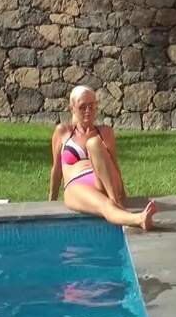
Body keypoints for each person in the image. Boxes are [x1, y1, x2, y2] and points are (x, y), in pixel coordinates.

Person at [49, 85, 156, 230]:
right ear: (72, 108)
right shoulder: (63, 131)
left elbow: (113, 163)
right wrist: (51, 202)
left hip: (104, 181)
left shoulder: (105, 132)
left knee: (93, 143)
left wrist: (123, 194)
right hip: (77, 184)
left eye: (91, 106)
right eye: (82, 107)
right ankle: (138, 219)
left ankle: (116, 201)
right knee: (104, 205)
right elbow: (56, 169)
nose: (88, 110)